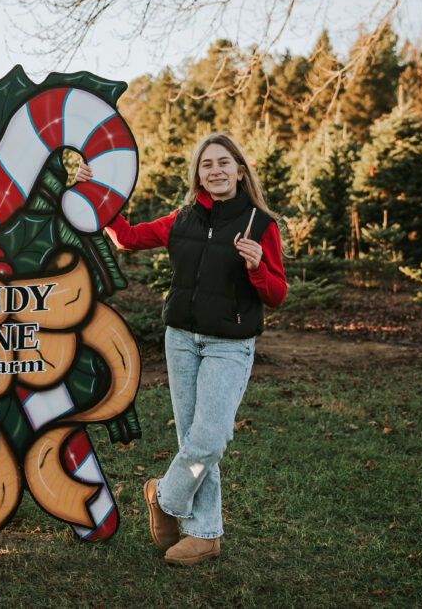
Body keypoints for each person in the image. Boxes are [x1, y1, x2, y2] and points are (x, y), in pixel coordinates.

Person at [76, 133, 286, 565]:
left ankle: (163, 496)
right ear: (198, 175)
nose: (216, 170)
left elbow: (277, 294)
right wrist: (91, 191)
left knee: (208, 439)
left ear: (240, 170)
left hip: (230, 344)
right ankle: (205, 533)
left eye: (224, 163)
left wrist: (256, 267)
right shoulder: (183, 219)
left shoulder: (261, 225)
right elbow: (127, 237)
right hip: (182, 341)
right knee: (190, 437)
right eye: (207, 165)